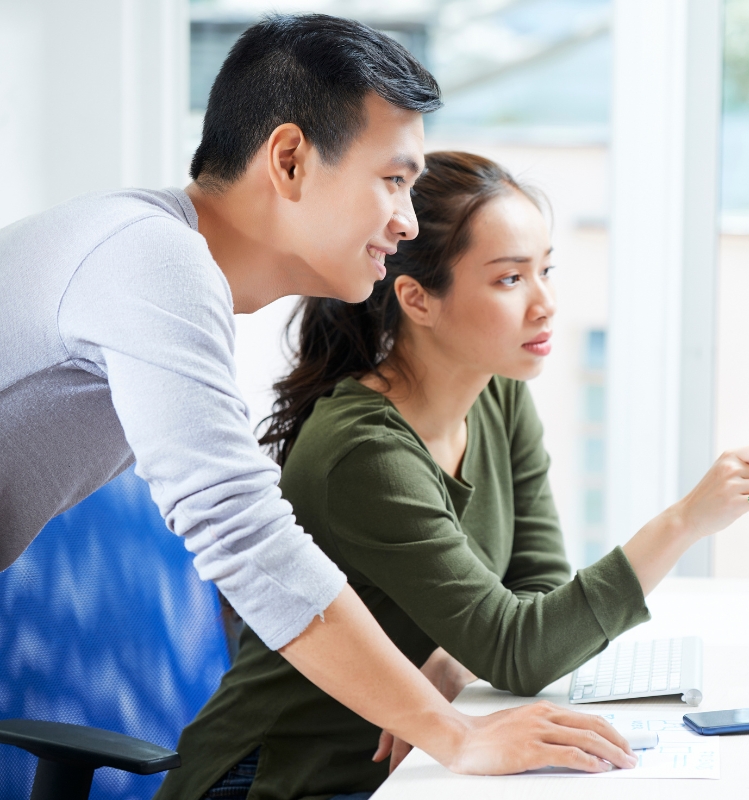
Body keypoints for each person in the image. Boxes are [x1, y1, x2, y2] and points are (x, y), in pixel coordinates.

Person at [0, 13, 639, 777]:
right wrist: (454, 733)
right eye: (393, 180)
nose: (405, 221)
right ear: (292, 160)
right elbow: (241, 532)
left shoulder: (161, 265)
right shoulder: (152, 261)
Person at [158, 151, 749, 800]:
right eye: (510, 279)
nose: (545, 304)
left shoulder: (499, 396)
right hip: (279, 780)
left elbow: (535, 592)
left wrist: (461, 657)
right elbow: (526, 649)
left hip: (410, 768)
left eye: (545, 270)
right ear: (417, 299)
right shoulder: (364, 454)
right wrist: (684, 522)